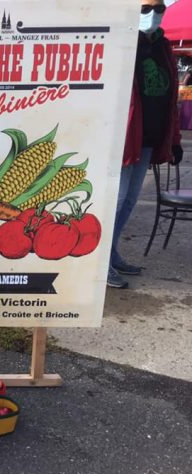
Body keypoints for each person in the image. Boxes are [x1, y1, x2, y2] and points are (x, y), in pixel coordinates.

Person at [108, 0, 183, 289]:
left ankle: (111, 253)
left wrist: (174, 140)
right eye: (145, 8)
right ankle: (100, 262)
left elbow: (171, 98)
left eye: (159, 8)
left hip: (150, 138)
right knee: (116, 200)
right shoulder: (122, 43)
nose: (153, 14)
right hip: (125, 139)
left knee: (129, 201)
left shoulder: (163, 47)